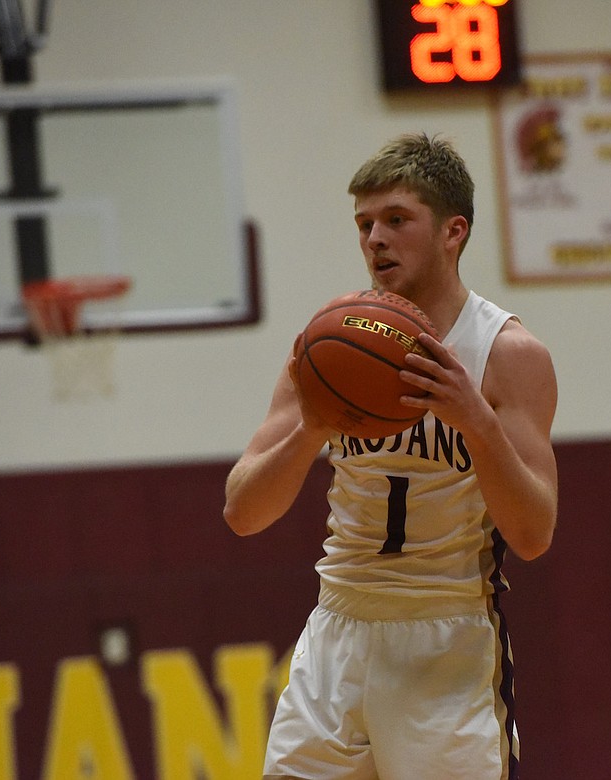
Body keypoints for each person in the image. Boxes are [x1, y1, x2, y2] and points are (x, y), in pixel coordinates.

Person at [223, 133, 558, 780]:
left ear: (452, 232)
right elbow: (242, 512)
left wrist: (473, 419)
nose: (374, 238)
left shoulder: (507, 355)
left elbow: (533, 533)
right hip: (337, 631)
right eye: (364, 224)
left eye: (396, 220)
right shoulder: (328, 347)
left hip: (449, 634)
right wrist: (309, 431)